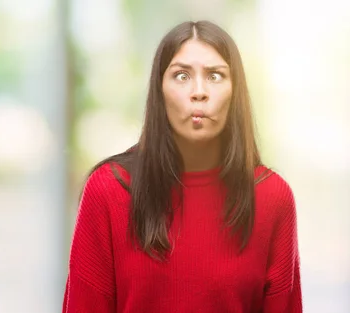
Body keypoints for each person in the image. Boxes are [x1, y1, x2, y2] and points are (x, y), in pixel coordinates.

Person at [62, 20, 302, 313]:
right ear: (159, 90)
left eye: (215, 76)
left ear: (235, 91)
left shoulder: (272, 196)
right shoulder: (108, 190)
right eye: (181, 75)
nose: (198, 91)